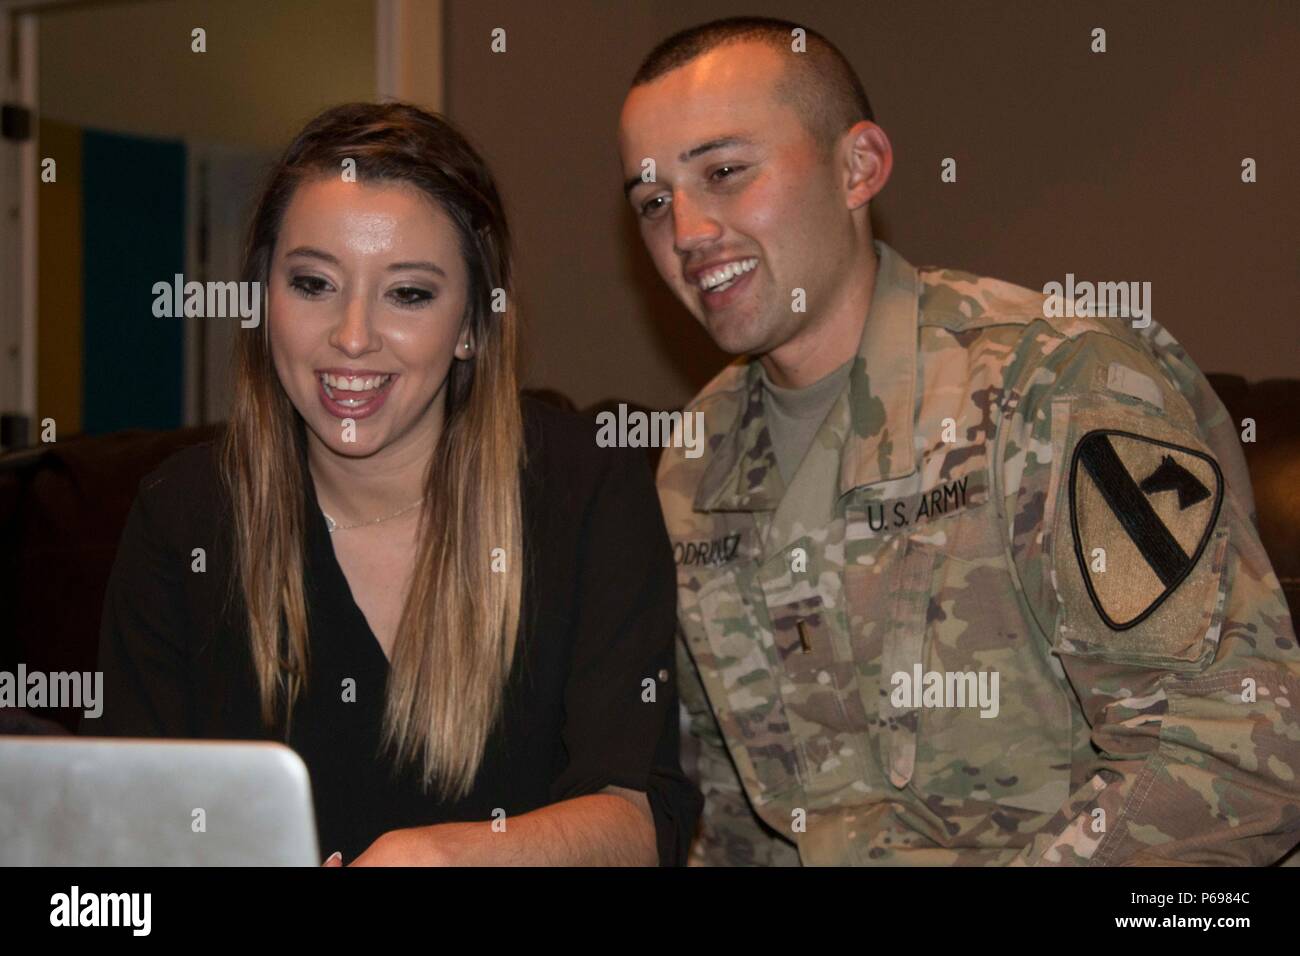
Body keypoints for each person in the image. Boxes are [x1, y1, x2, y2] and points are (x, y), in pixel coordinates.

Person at [618, 16, 1300, 865]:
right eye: (653, 201)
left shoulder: (1059, 386)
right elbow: (735, 814)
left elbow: (1234, 752)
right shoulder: (696, 460)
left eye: (723, 171)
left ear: (858, 166)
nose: (685, 232)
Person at [94, 102, 700, 866]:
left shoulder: (585, 489)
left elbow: (639, 822)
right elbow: (122, 837)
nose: (352, 336)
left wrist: (448, 859)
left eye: (408, 293)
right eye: (313, 283)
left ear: (473, 325)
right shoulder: (183, 519)